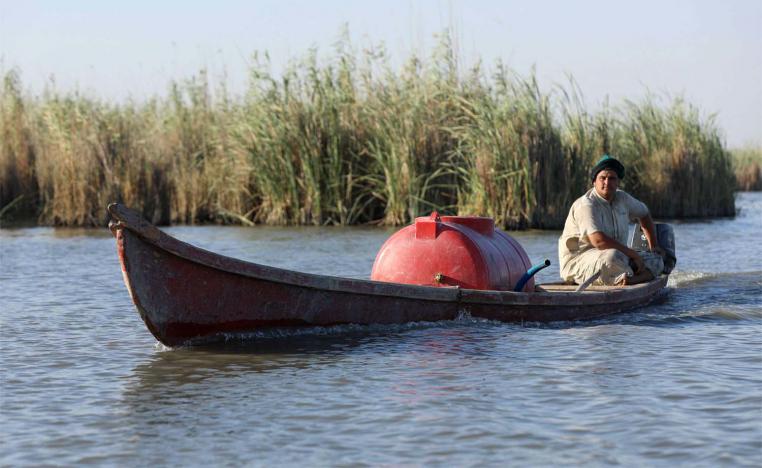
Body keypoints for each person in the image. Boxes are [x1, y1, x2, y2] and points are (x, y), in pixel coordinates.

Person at [559, 155, 665, 286]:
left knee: (656, 259)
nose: (607, 182)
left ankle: (631, 280)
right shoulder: (586, 204)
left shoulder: (623, 198)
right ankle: (631, 276)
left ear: (618, 182)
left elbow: (644, 214)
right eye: (602, 178)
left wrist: (653, 245)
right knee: (612, 256)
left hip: (618, 258)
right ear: (594, 181)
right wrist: (633, 254)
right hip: (579, 263)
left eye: (612, 178)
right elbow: (598, 241)